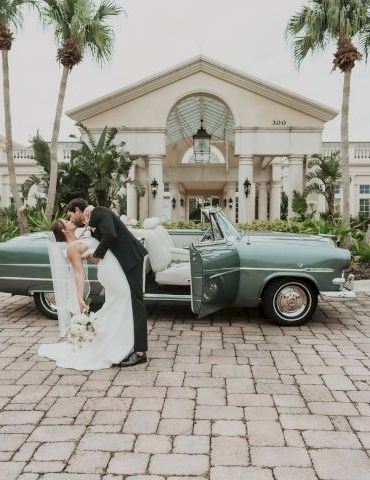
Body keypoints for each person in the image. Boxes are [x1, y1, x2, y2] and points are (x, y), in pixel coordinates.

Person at [38, 219, 134, 370]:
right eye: (66, 221)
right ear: (63, 230)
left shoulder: (80, 237)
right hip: (109, 272)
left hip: (112, 269)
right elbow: (79, 273)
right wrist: (79, 297)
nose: (70, 220)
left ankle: (116, 340)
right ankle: (116, 343)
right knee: (121, 300)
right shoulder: (71, 248)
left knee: (116, 304)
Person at [65, 198, 148, 367]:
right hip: (123, 262)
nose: (71, 219)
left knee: (136, 302)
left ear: (78, 210)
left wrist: (95, 256)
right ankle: (132, 344)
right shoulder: (91, 219)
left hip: (131, 259)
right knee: (131, 302)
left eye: (70, 215)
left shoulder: (99, 212)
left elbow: (111, 235)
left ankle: (140, 352)